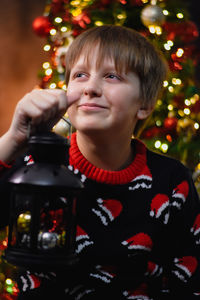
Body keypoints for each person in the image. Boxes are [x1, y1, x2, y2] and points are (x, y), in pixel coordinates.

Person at [0, 25, 200, 300]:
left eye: (112, 76)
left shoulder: (171, 181)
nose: (91, 88)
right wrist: (12, 140)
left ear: (145, 104)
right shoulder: (37, 164)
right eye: (80, 75)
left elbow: (187, 276)